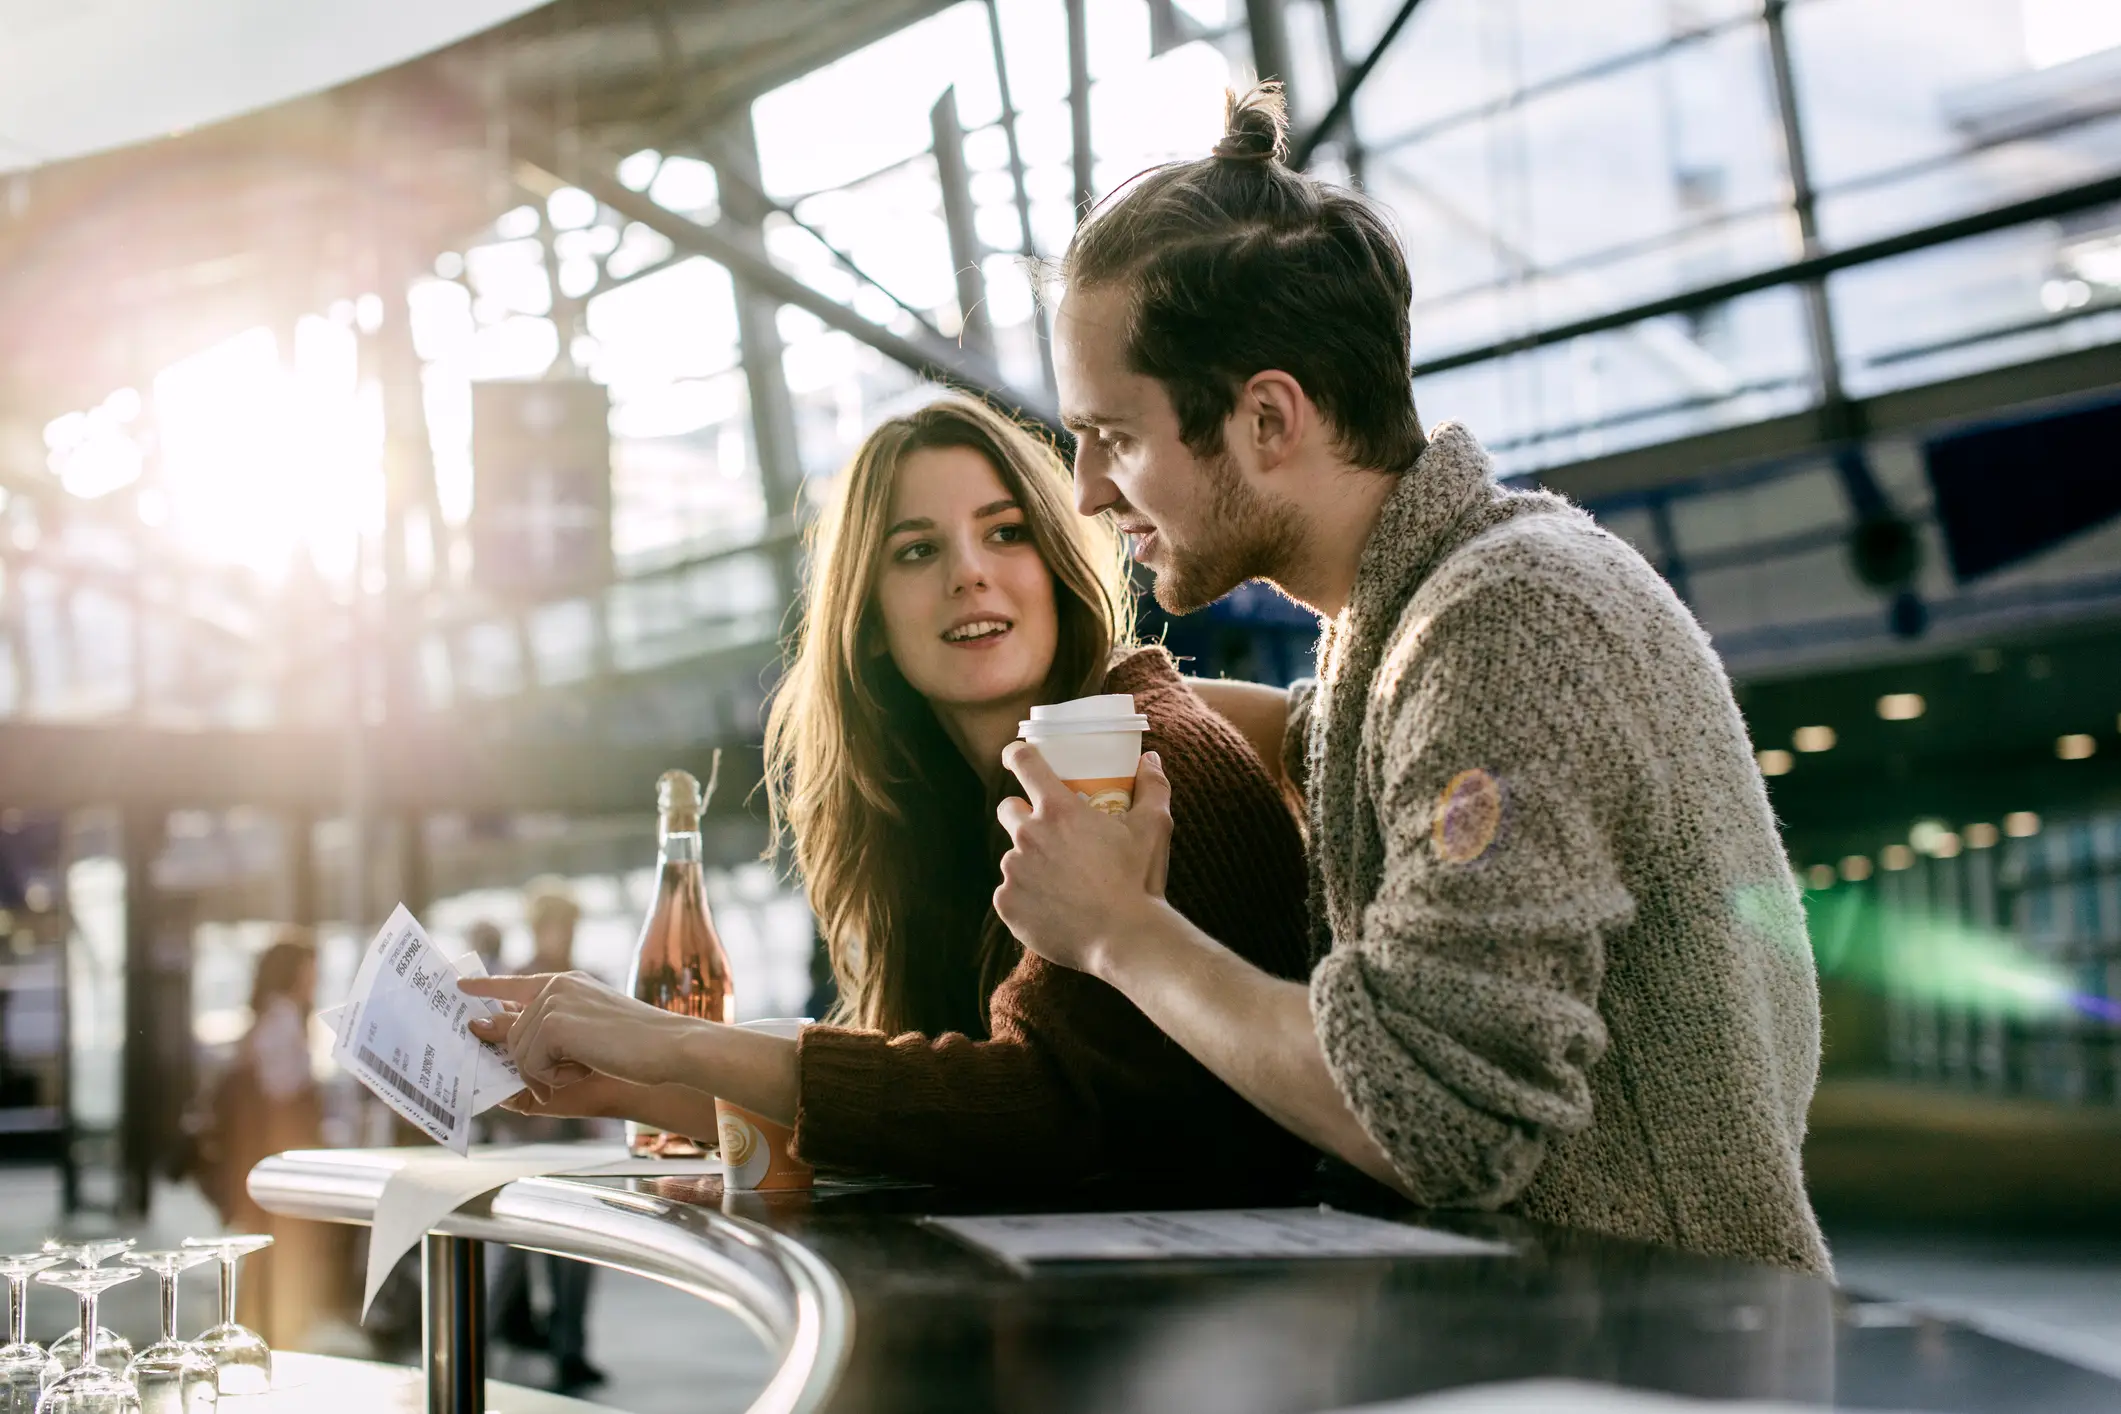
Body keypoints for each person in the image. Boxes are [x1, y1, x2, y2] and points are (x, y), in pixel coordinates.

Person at [987, 85, 1831, 1275]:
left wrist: (1120, 931)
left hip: (1655, 1364)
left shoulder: (1512, 621)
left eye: (1114, 436)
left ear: (1268, 418)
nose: (1083, 490)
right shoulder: (1391, 635)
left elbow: (1443, 1118)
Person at [462, 396, 1316, 1195]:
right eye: (916, 550)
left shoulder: (1142, 760)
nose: (968, 574)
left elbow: (1035, 1112)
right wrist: (613, 1079)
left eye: (1006, 533)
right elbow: (923, 1097)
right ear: (867, 618)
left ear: (1057, 564)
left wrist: (671, 1042)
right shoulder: (947, 808)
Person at [486, 881, 604, 1396]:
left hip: (572, 1137)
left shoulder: (586, 983)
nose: (566, 934)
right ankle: (483, 1339)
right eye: (559, 923)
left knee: (575, 1248)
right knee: (513, 1248)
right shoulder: (516, 985)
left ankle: (570, 1348)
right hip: (524, 1138)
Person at [192, 929, 334, 1347]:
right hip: (276, 1156)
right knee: (279, 1252)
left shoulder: (267, 1017)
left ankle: (262, 1331)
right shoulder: (283, 1019)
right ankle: (273, 1336)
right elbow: (283, 1090)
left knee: (264, 1255)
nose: (316, 977)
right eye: (310, 968)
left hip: (257, 1156)